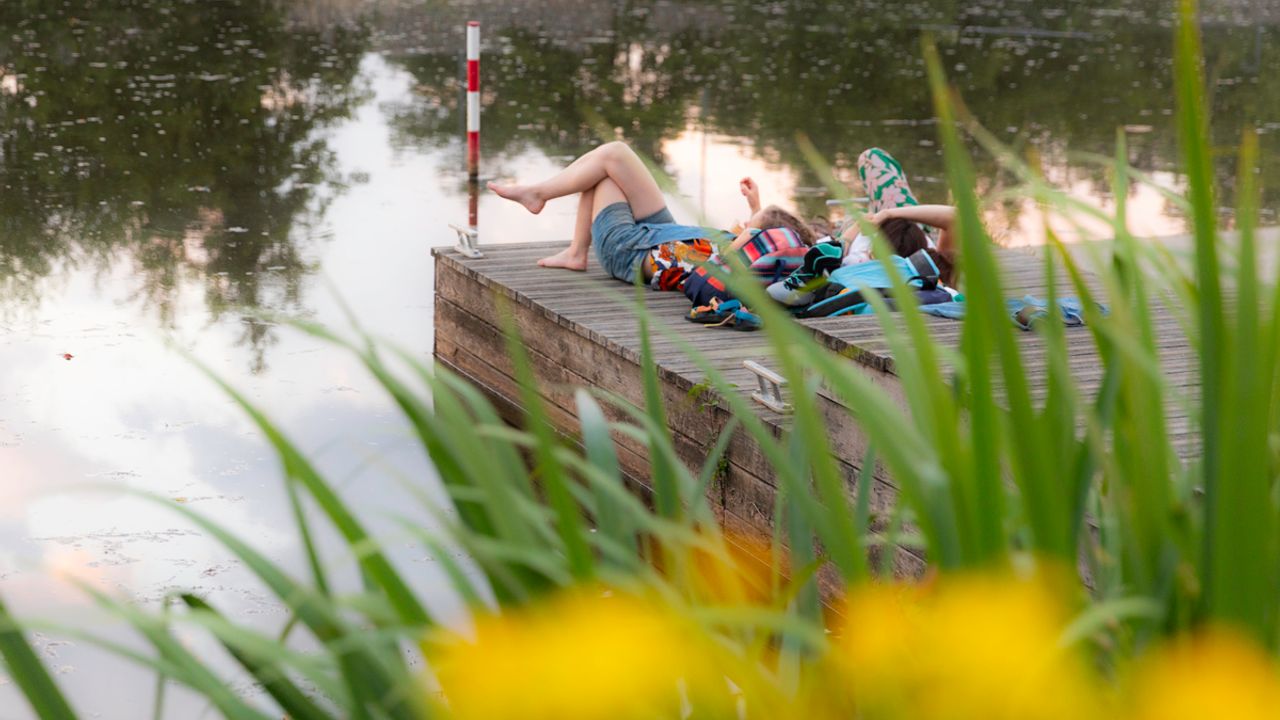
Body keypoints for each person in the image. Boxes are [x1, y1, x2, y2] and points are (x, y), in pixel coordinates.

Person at [487, 141, 814, 287]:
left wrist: (754, 224)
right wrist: (756, 209)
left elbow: (749, 248)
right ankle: (572, 247)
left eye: (750, 226)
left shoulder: (732, 263)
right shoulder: (741, 246)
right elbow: (761, 240)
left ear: (756, 239)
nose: (743, 226)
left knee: (604, 169)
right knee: (613, 154)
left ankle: (544, 202)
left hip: (628, 250)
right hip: (661, 235)